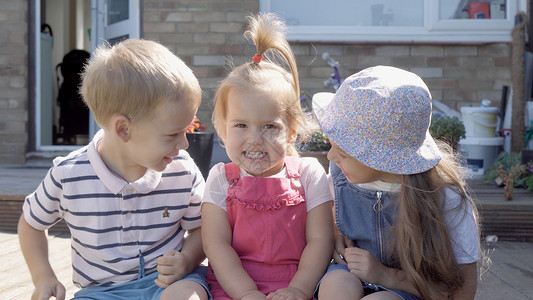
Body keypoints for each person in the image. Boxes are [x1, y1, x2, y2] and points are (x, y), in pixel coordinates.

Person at [17, 39, 210, 300]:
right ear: (123, 129)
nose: (184, 144)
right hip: (102, 292)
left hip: (170, 283)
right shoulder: (68, 176)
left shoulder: (181, 169)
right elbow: (31, 224)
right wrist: (43, 277)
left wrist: (187, 259)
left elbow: (203, 227)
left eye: (185, 131)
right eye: (173, 134)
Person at [311, 65, 481, 300]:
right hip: (351, 274)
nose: (330, 157)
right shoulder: (342, 177)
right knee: (336, 285)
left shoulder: (446, 200)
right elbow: (328, 206)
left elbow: (462, 291)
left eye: (344, 152)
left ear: (383, 159)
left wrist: (385, 275)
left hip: (411, 289)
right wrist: (334, 228)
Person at [201, 13, 334, 300]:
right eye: (241, 125)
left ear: (291, 131)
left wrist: (298, 289)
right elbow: (216, 245)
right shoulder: (220, 179)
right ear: (223, 130)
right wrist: (247, 293)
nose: (254, 139)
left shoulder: (309, 173)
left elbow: (319, 241)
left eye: (270, 126)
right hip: (234, 285)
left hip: (301, 283)